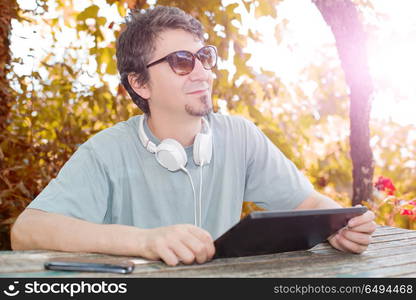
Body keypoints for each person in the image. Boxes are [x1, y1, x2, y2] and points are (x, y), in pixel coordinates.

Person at [11, 6, 376, 266]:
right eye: (182, 61)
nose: (202, 73)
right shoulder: (106, 151)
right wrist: (145, 240)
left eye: (204, 57)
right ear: (140, 83)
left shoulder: (240, 136)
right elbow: (27, 231)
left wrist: (343, 224)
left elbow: (308, 205)